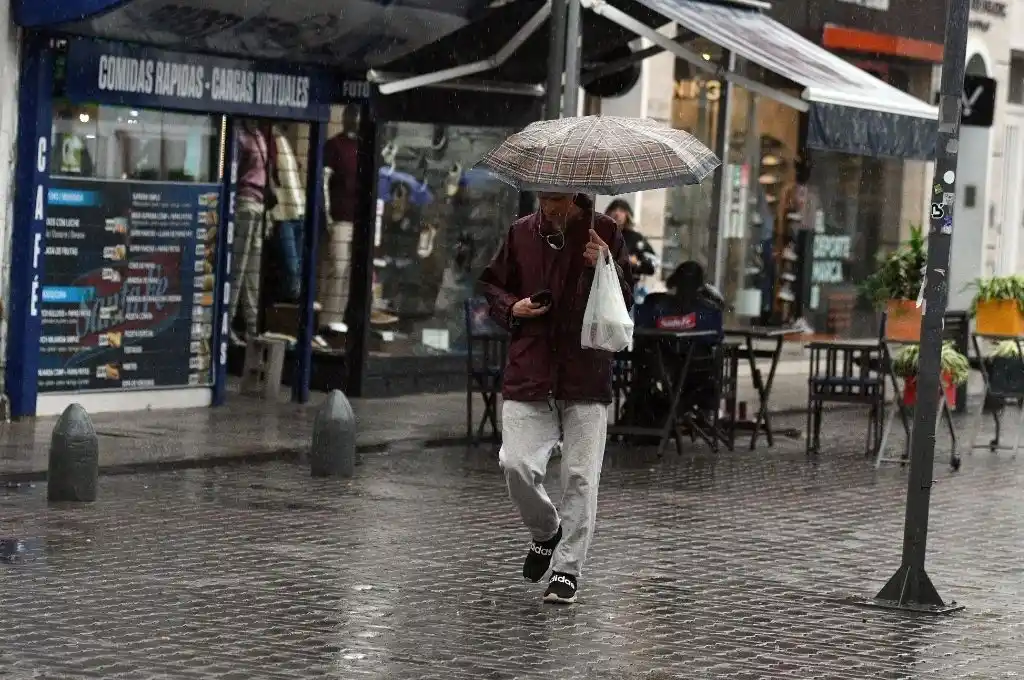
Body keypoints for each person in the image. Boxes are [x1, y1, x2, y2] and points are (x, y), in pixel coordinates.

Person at [479, 192, 633, 605]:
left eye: (558, 200)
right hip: (531, 366)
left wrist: (606, 265)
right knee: (515, 463)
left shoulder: (606, 232)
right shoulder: (520, 233)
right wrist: (515, 307)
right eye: (544, 198)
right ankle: (547, 531)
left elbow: (627, 301)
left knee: (581, 475)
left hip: (586, 368)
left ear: (577, 195)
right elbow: (493, 286)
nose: (549, 207)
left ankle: (567, 569)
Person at [605, 198, 659, 279]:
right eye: (614, 210)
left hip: (628, 286)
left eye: (621, 211)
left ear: (627, 215)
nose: (617, 213)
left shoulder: (636, 238)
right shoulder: (601, 235)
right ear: (608, 213)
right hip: (603, 283)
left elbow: (653, 264)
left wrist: (637, 263)